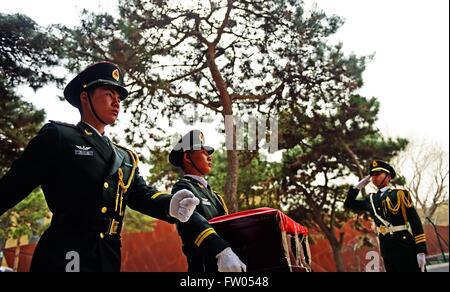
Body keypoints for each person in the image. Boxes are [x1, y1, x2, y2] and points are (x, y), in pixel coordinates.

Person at [0, 61, 199, 272]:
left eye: (119, 98)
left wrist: (170, 204)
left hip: (108, 254)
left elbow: (140, 195)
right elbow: (14, 185)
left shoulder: (125, 157)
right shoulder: (59, 137)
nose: (117, 103)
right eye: (108, 94)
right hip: (67, 252)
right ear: (85, 98)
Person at [168, 130, 247, 272]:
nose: (209, 157)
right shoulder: (183, 187)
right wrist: (221, 250)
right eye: (203, 152)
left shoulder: (215, 196)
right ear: (187, 157)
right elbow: (191, 224)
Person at [344, 160, 427, 272]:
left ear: (388, 177)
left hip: (405, 245)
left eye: (378, 174)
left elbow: (415, 221)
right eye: (372, 175)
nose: (374, 177)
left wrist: (421, 250)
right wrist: (358, 187)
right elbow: (349, 203)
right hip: (387, 249)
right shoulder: (371, 199)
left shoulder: (399, 194)